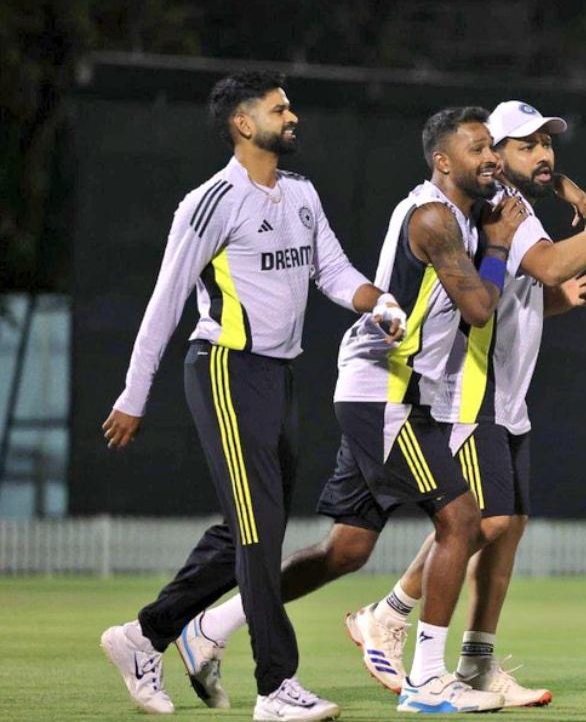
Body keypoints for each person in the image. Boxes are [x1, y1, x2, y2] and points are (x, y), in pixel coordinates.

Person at [176, 102, 586, 712]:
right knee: (465, 521)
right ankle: (425, 674)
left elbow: (511, 246)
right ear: (444, 161)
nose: (492, 159)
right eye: (486, 149)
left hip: (402, 389)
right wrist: (551, 228)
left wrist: (558, 186)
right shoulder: (437, 217)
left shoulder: (475, 210)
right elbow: (483, 307)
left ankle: (212, 627)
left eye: (497, 148)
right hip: (387, 389)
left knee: (348, 550)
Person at [100, 71, 403, 721]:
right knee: (260, 532)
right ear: (243, 124)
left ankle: (143, 637)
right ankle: (276, 687)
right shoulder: (211, 202)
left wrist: (375, 301)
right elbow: (165, 302)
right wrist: (134, 394)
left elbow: (332, 270)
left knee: (249, 525)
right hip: (224, 369)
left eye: (289, 107)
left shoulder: (299, 192)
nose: (292, 117)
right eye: (278, 109)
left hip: (279, 377)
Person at [346, 100, 586, 707]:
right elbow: (548, 265)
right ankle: (388, 616)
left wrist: (554, 293)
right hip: (472, 393)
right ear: (493, 155)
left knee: (509, 526)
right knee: (483, 520)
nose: (543, 154)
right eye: (527, 146)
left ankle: (476, 664)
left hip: (507, 394)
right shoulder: (499, 213)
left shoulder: (513, 209)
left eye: (548, 144)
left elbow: (520, 295)